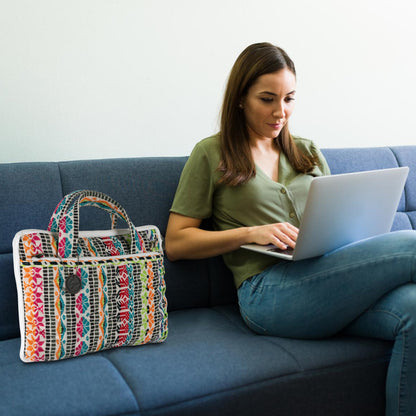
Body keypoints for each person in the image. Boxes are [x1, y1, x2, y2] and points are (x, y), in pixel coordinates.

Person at [165, 42, 416, 416]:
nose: (280, 111)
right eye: (267, 99)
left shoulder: (307, 151)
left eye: (289, 99)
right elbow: (176, 242)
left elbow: (337, 220)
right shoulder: (211, 153)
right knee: (411, 244)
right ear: (240, 98)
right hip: (268, 294)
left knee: (413, 310)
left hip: (329, 279)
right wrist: (250, 233)